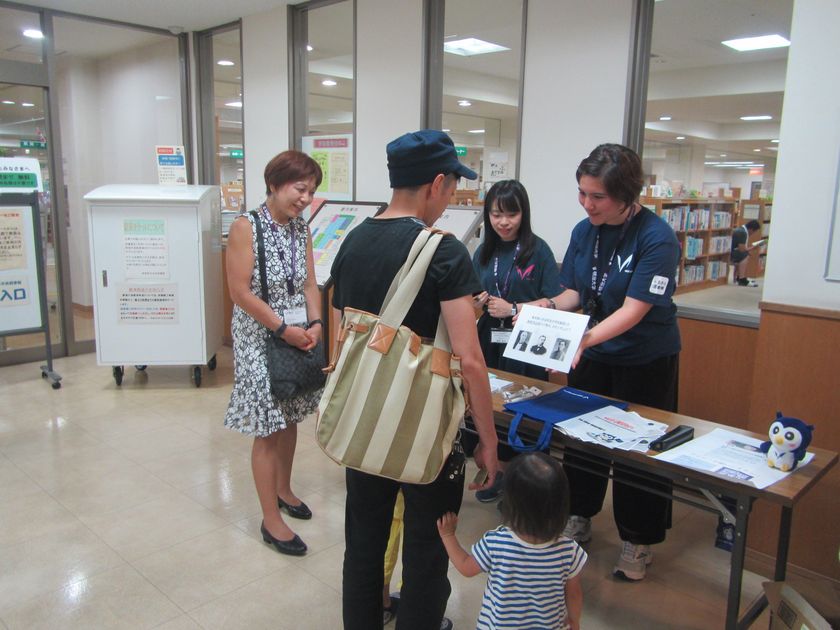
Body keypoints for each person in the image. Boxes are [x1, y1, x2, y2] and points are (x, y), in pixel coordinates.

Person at [330, 129, 500, 630]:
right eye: (451, 189)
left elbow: (345, 333)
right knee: (428, 547)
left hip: (365, 416)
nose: (449, 200)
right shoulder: (444, 253)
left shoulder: (354, 240)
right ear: (437, 183)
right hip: (427, 428)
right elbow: (470, 361)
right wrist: (488, 441)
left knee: (364, 539)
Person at [544, 143, 681, 581]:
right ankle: (578, 515)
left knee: (639, 449)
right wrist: (541, 308)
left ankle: (637, 539)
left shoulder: (657, 237)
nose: (587, 204)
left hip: (645, 360)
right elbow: (574, 293)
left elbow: (634, 309)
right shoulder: (585, 231)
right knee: (582, 440)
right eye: (582, 193)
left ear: (626, 195)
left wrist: (582, 338)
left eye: (597, 196)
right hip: (595, 352)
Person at [224, 150, 324, 557]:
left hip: (298, 335)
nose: (306, 197)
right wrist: (284, 329)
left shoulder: (301, 228)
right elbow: (240, 292)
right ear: (275, 183)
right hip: (260, 340)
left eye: (312, 191)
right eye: (300, 188)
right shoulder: (246, 226)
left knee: (291, 412)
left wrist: (316, 325)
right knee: (267, 427)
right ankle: (270, 518)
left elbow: (310, 284)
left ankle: (284, 489)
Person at [469, 179, 562, 501]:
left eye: (511, 214)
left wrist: (515, 308)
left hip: (526, 342)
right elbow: (466, 295)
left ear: (524, 214)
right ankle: (498, 473)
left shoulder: (539, 250)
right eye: (496, 214)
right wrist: (477, 300)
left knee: (527, 409)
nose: (503, 222)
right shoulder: (484, 251)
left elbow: (559, 298)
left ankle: (529, 484)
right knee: (492, 405)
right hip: (490, 340)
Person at [437, 452, 586, 630]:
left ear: (510, 504)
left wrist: (448, 536)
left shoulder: (497, 542)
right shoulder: (569, 550)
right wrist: (574, 621)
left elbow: (466, 567)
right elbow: (574, 594)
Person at [731, 219, 761, 286]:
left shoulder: (741, 229)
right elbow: (742, 250)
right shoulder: (742, 233)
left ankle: (740, 277)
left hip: (732, 251)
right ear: (751, 229)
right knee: (745, 255)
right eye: (754, 232)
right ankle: (741, 279)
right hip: (731, 253)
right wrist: (753, 247)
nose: (753, 234)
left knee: (745, 254)